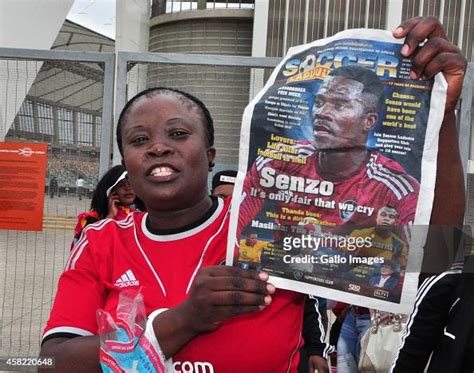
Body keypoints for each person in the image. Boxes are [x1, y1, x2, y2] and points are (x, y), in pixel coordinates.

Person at [39, 17, 466, 372]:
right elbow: (50, 362)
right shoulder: (101, 242)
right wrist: (183, 320)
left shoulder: (271, 223)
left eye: (178, 134)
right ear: (126, 163)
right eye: (138, 139)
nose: (157, 147)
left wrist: (441, 118)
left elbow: (431, 253)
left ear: (210, 156)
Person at [239, 66, 420, 232]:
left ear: (369, 121)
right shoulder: (279, 160)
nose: (322, 113)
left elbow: (421, 260)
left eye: (339, 105)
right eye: (318, 103)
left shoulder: (397, 189)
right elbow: (231, 229)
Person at [71, 165, 141, 245]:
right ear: (111, 190)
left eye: (131, 183)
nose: (128, 188)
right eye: (121, 185)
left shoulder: (146, 217)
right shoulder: (92, 219)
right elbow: (84, 248)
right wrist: (109, 218)